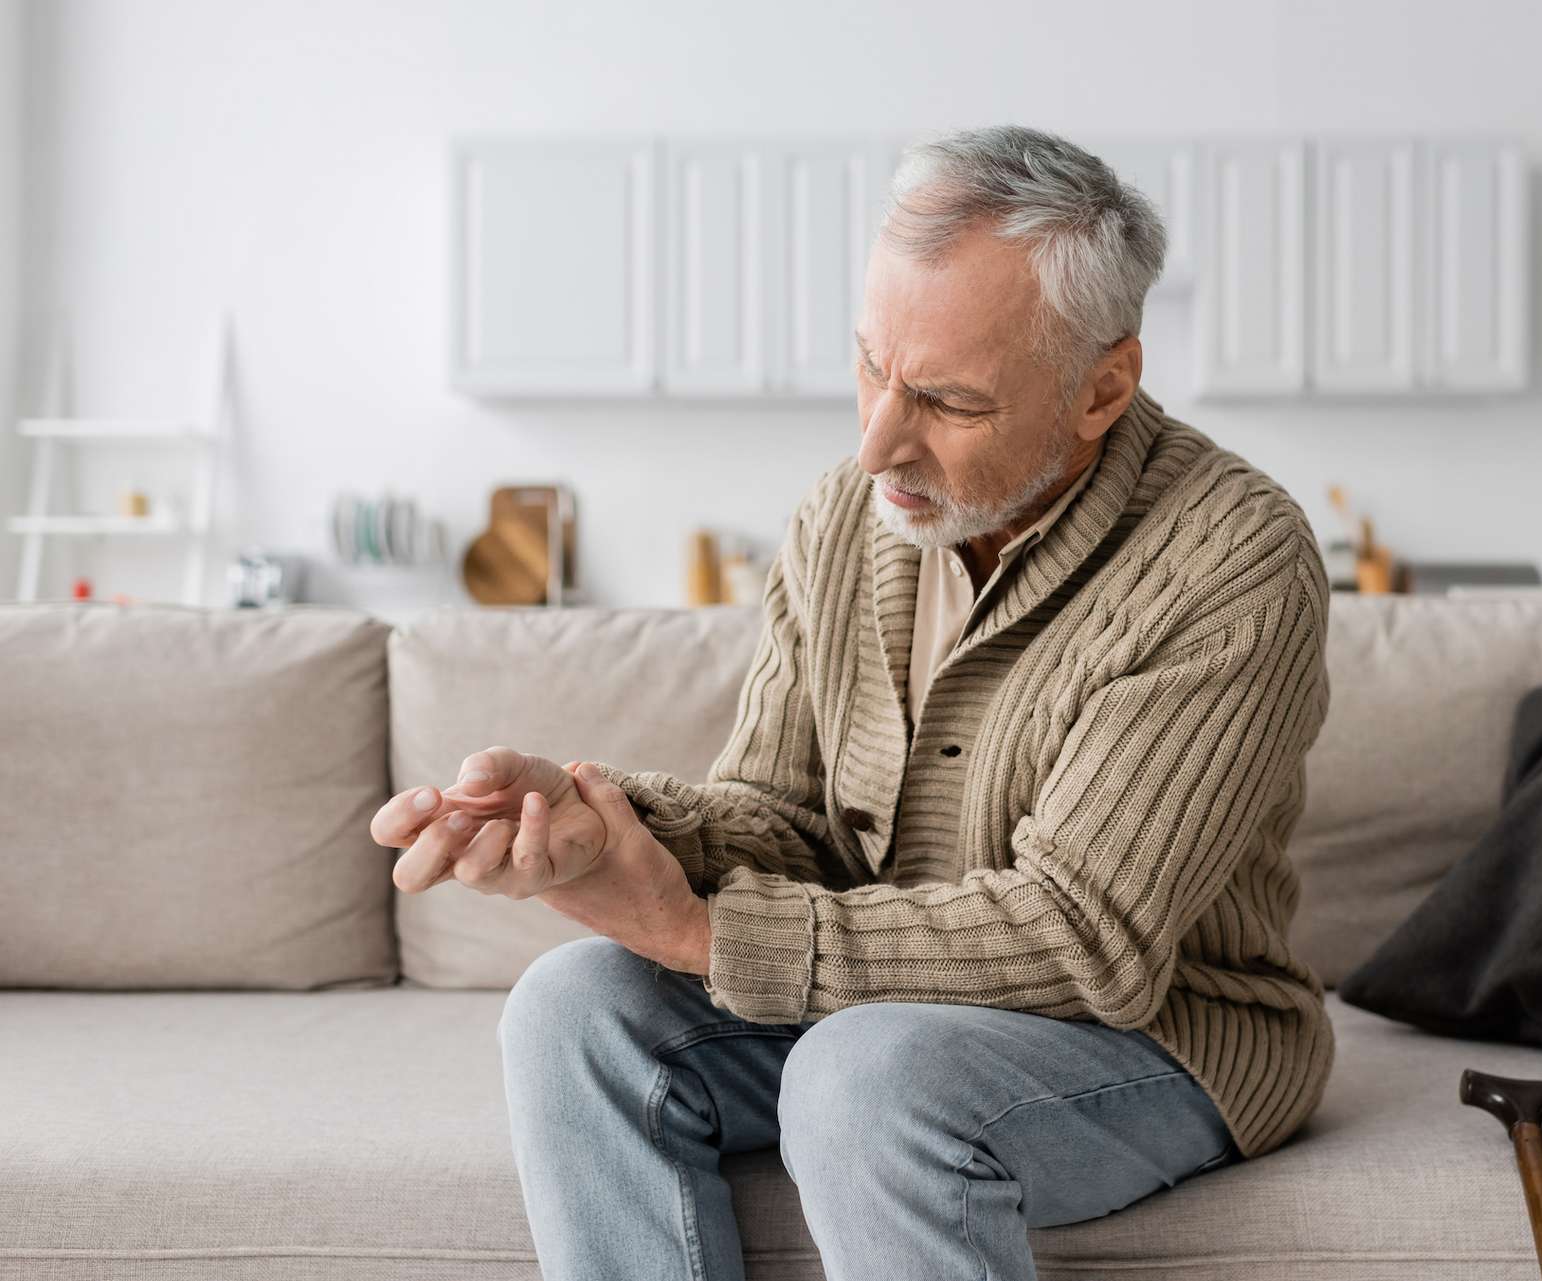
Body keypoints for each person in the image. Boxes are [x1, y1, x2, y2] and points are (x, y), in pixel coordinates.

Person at [369, 123, 1334, 1281]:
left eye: (947, 400)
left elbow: (1089, 944)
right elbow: (784, 822)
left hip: (1160, 1038)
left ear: (1101, 389)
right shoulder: (845, 518)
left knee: (863, 1073)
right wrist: (605, 819)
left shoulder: (1233, 559)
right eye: (872, 364)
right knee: (571, 1006)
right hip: (875, 1006)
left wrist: (700, 933)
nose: (878, 442)